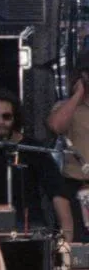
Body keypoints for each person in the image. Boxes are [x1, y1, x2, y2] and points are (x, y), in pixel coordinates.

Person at [0, 89, 70, 234]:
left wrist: (67, 236)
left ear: (15, 117)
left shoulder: (33, 149)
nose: (1, 122)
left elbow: (57, 191)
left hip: (30, 225)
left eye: (6, 117)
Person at [45, 55, 89, 242]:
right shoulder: (67, 107)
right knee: (77, 244)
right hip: (75, 185)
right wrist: (78, 94)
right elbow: (56, 126)